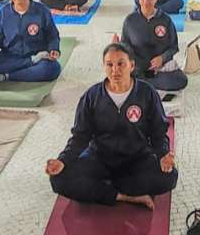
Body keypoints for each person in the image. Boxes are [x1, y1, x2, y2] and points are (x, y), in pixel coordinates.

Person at [46, 43, 177, 210]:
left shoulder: (147, 93)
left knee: (169, 177)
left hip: (136, 158)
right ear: (104, 66)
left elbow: (158, 133)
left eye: (121, 64)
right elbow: (80, 137)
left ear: (132, 65)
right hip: (99, 158)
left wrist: (163, 155)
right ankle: (124, 195)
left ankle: (104, 188)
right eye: (109, 64)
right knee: (59, 179)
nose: (115, 70)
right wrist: (63, 160)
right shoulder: (92, 96)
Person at [119, 0, 188, 92]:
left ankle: (141, 83)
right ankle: (143, 82)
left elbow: (173, 47)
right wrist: (133, 61)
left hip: (160, 67)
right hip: (138, 67)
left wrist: (162, 58)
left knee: (181, 80)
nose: (146, 2)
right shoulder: (130, 20)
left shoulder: (165, 20)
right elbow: (124, 45)